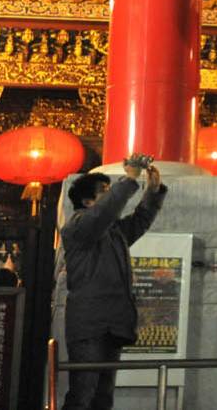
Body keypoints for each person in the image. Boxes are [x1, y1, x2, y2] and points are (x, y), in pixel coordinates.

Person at [61, 160, 167, 410]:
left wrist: (152, 191)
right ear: (88, 202)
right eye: (104, 192)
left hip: (112, 323)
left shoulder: (114, 232)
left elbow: (140, 220)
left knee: (103, 397)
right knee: (82, 395)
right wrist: (129, 180)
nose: (111, 196)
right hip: (89, 325)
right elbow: (103, 213)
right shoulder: (78, 226)